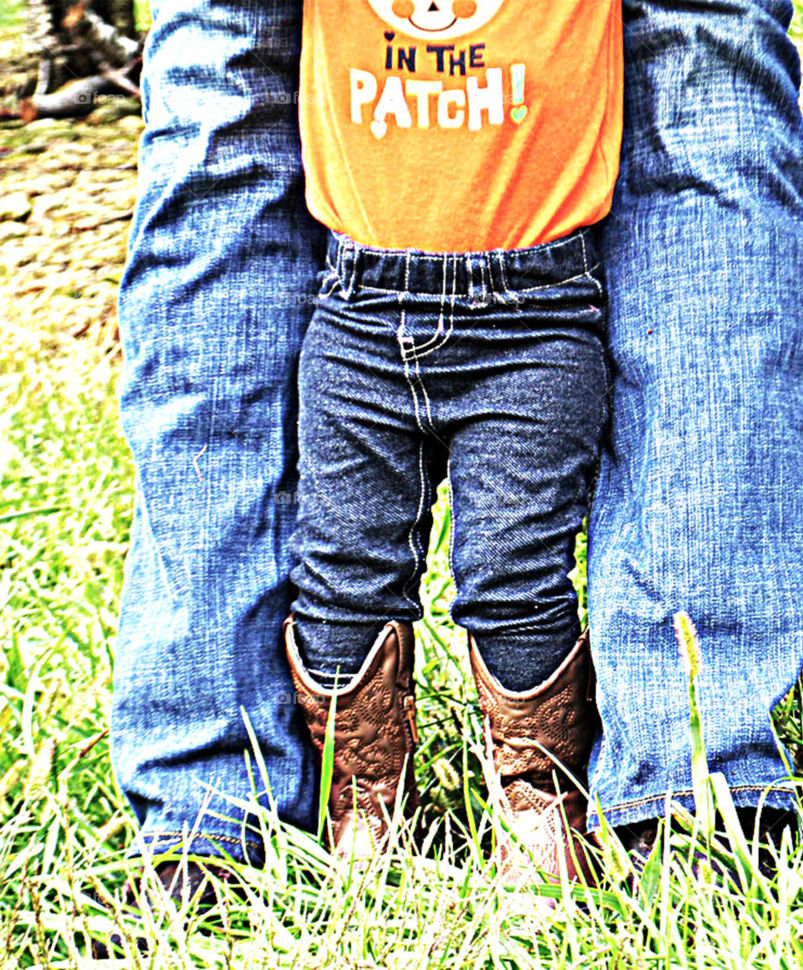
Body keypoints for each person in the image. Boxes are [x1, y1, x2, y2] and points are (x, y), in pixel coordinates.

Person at [110, 0, 803, 896]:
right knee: (697, 59)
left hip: (533, 307)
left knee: (229, 76)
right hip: (366, 309)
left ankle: (225, 802)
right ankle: (692, 794)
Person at [281, 1, 620, 877]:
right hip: (358, 307)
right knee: (343, 573)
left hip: (536, 315)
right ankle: (365, 810)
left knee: (517, 573)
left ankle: (538, 809)